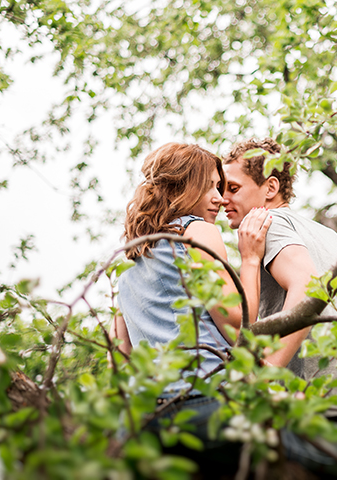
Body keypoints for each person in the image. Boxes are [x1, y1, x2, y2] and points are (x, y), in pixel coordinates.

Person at [222, 138, 337, 478]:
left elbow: (308, 285)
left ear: (270, 187)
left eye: (232, 187)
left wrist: (267, 370)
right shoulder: (325, 235)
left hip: (330, 419)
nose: (222, 199)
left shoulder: (268, 223)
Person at [109, 143, 271, 466]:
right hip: (205, 404)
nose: (221, 198)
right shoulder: (197, 231)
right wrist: (250, 259)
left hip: (148, 421)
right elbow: (238, 322)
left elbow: (122, 352)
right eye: (211, 186)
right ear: (184, 186)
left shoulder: (127, 262)